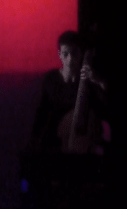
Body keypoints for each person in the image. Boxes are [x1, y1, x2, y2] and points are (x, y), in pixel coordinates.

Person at [22, 30, 108, 197]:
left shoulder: (88, 82)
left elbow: (107, 105)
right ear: (59, 54)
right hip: (55, 141)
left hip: (83, 144)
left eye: (74, 53)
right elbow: (42, 111)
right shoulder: (51, 79)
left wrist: (97, 81)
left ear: (81, 54)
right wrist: (34, 139)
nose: (70, 59)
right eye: (65, 54)